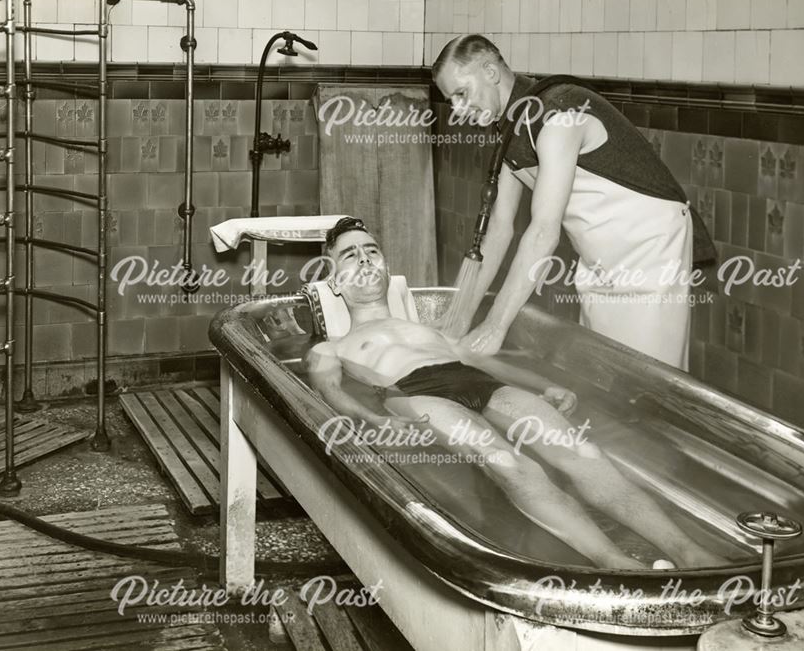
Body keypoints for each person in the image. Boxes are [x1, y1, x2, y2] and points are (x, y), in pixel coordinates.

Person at [306, 217, 720, 570]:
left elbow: (479, 360)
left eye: (371, 250)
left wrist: (543, 385)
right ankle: (612, 560)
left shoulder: (429, 331)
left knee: (582, 452)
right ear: (335, 282)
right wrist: (378, 421)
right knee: (507, 461)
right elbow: (328, 389)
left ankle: (690, 551)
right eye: (350, 254)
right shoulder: (332, 345)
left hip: (468, 377)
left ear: (385, 264)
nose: (364, 259)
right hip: (410, 392)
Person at [431, 35, 717, 370]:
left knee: (648, 379)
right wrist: (460, 315)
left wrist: (495, 327)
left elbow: (542, 231)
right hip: (600, 259)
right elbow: (499, 228)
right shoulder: (510, 126)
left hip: (649, 251)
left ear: (490, 72)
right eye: (451, 101)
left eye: (462, 94)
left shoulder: (559, 114)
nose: (458, 110)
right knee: (605, 377)